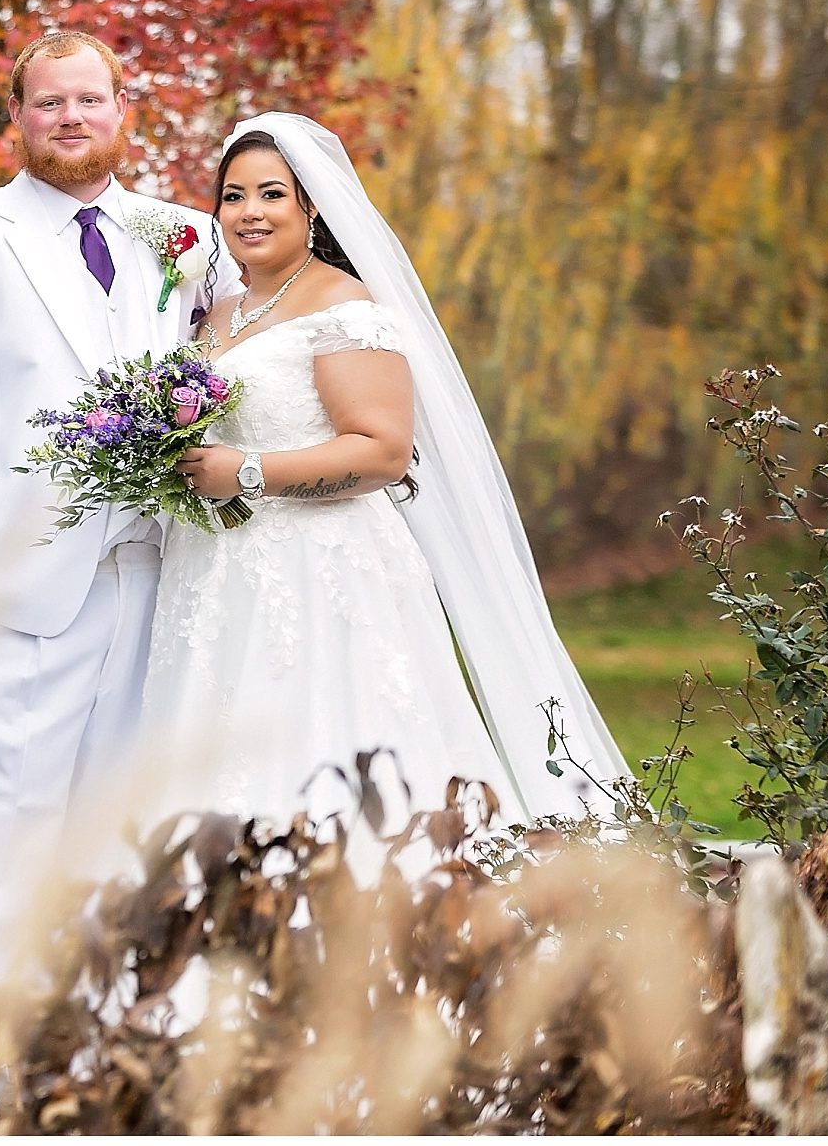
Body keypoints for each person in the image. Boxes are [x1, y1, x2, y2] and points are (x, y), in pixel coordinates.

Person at [0, 30, 239, 1126]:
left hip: (157, 576)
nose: (70, 118)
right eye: (48, 103)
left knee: (122, 822)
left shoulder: (184, 237)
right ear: (17, 115)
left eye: (89, 99)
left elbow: (231, 361)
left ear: (123, 106)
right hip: (9, 588)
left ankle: (86, 1042)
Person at [138, 112, 629, 865]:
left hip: (318, 570)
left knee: (326, 747)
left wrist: (247, 471)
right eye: (232, 196)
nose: (249, 212)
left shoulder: (345, 307)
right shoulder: (218, 314)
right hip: (214, 572)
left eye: (272, 194)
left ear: (310, 208)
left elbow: (383, 450)